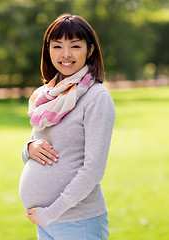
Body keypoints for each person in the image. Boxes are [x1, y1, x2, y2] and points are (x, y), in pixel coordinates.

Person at [19, 14, 115, 240]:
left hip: (77, 222)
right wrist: (29, 148)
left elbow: (93, 170)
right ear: (48, 49)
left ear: (89, 50)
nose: (66, 54)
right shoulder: (49, 95)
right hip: (46, 222)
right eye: (57, 46)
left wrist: (50, 213)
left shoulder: (96, 97)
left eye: (75, 46)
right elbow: (33, 152)